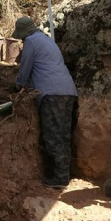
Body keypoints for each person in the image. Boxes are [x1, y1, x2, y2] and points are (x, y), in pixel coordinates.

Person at [11, 17, 78, 189]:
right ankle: (63, 174)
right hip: (68, 91)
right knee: (63, 135)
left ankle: (59, 178)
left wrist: (18, 84)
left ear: (24, 34)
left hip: (52, 94)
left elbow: (25, 68)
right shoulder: (46, 40)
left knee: (53, 136)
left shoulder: (31, 42)